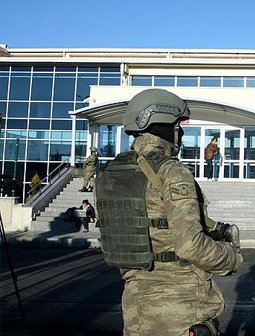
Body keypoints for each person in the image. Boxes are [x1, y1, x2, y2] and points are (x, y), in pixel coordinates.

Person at [94, 88, 243, 336]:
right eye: (177, 125)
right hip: (182, 310)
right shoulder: (171, 171)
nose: (181, 132)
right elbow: (190, 246)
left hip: (136, 310)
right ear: (162, 124)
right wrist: (232, 257)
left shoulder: (109, 173)